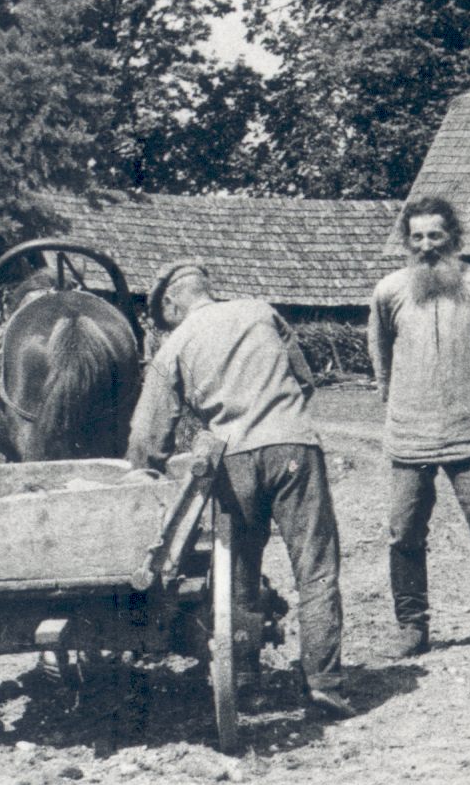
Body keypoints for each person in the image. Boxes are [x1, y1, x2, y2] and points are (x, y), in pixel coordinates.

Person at [126, 260, 353, 719]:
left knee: (240, 571)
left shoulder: (175, 345)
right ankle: (325, 682)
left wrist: (143, 475)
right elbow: (305, 380)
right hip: (294, 446)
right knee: (315, 567)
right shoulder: (260, 311)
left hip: (232, 458)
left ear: (171, 303)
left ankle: (246, 682)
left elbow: (148, 437)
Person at [367, 194, 470, 660]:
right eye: (416, 237)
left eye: (435, 235)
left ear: (453, 239)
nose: (426, 246)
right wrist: (397, 403)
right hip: (409, 434)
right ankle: (412, 627)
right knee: (403, 533)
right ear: (406, 241)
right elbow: (381, 360)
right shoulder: (389, 291)